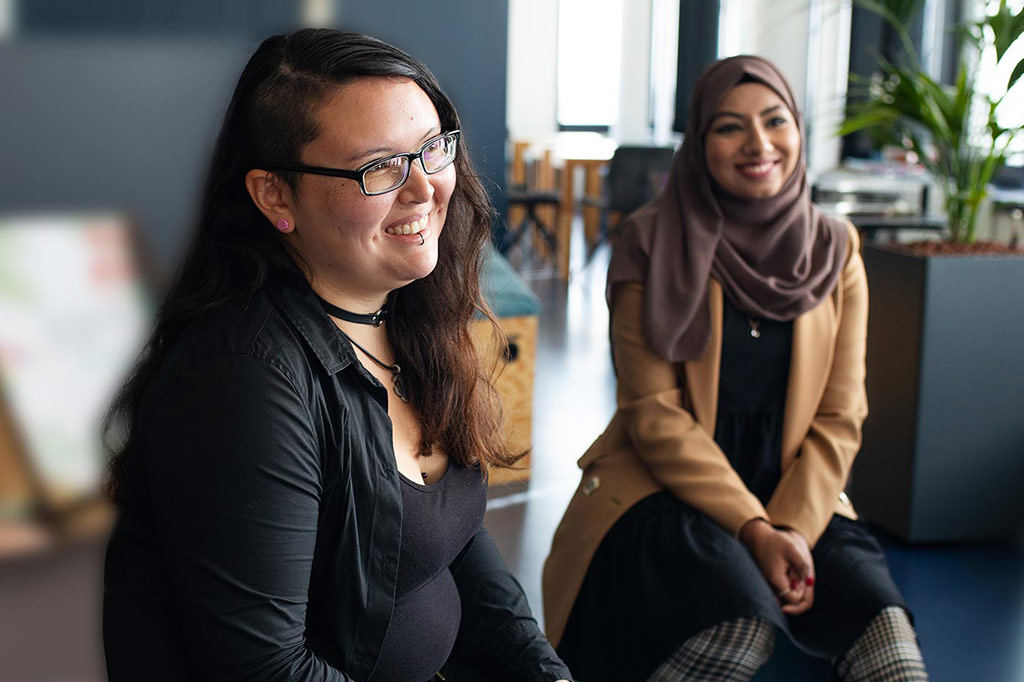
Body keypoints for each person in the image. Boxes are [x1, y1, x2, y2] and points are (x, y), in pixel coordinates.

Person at [102, 29, 573, 682]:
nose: (424, 189)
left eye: (432, 149)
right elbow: (264, 669)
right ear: (275, 196)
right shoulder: (244, 378)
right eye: (379, 167)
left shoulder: (409, 314)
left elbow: (453, 540)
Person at [542, 56, 928, 682]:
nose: (758, 145)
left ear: (798, 131)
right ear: (699, 142)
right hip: (669, 490)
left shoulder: (836, 249)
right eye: (729, 128)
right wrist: (753, 529)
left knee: (889, 641)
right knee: (734, 627)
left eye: (776, 121)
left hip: (799, 494)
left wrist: (790, 530)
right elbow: (653, 413)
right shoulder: (650, 240)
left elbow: (841, 411)